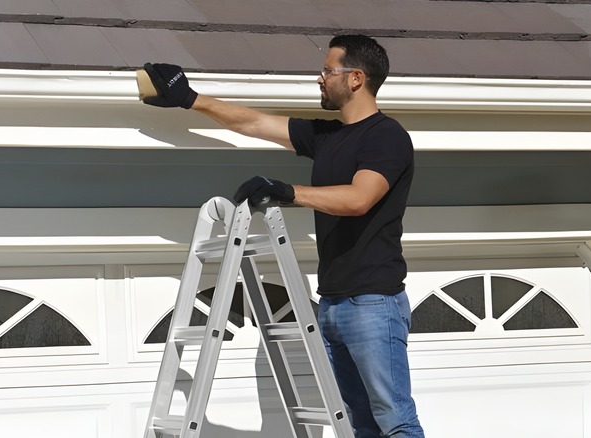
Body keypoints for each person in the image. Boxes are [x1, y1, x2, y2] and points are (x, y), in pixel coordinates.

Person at [142, 34, 424, 438]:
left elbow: (360, 198)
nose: (320, 78)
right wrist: (189, 98)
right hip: (333, 304)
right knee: (361, 425)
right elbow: (254, 123)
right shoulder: (326, 136)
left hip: (373, 304)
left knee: (395, 421)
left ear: (357, 78)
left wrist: (289, 191)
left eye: (328, 70)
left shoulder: (386, 137)